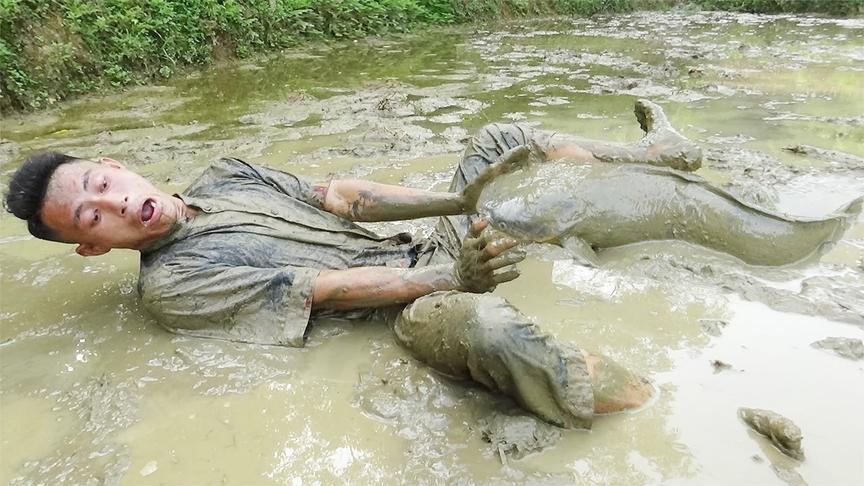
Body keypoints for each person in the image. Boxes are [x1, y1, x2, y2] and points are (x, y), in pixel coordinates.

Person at [5, 99, 697, 429]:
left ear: (113, 166)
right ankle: (650, 411)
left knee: (499, 139)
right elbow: (331, 292)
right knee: (489, 328)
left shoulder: (225, 174)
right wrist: (452, 277)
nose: (119, 204)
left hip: (435, 246)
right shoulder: (172, 289)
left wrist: (457, 198)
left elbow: (338, 196)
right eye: (93, 217)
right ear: (91, 246)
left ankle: (659, 157)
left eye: (102, 185)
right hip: (404, 306)